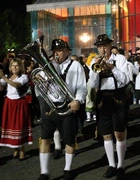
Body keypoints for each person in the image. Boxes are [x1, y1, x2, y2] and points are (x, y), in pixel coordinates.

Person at [36, 39, 87, 180]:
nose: (56, 54)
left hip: (67, 105)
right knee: (45, 139)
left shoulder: (76, 65)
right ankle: (44, 172)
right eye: (55, 51)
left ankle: (67, 169)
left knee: (70, 140)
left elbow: (82, 87)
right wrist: (43, 83)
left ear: (67, 51)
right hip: (50, 106)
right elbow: (38, 88)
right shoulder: (48, 66)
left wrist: (78, 100)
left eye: (60, 51)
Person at [89, 34, 130, 180]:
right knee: (106, 134)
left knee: (119, 133)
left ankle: (121, 165)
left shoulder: (120, 59)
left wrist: (112, 68)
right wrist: (95, 69)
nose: (102, 50)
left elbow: (125, 80)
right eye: (100, 47)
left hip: (117, 97)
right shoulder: (94, 62)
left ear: (110, 46)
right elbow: (93, 84)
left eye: (105, 46)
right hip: (103, 100)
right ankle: (112, 165)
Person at [0, 58, 33, 160]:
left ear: (20, 67)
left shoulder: (23, 77)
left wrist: (4, 78)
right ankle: (15, 149)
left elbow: (16, 85)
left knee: (19, 125)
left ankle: (22, 150)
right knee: (12, 126)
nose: (14, 68)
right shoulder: (8, 76)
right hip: (9, 103)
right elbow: (1, 88)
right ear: (10, 67)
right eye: (12, 66)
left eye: (17, 66)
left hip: (19, 103)